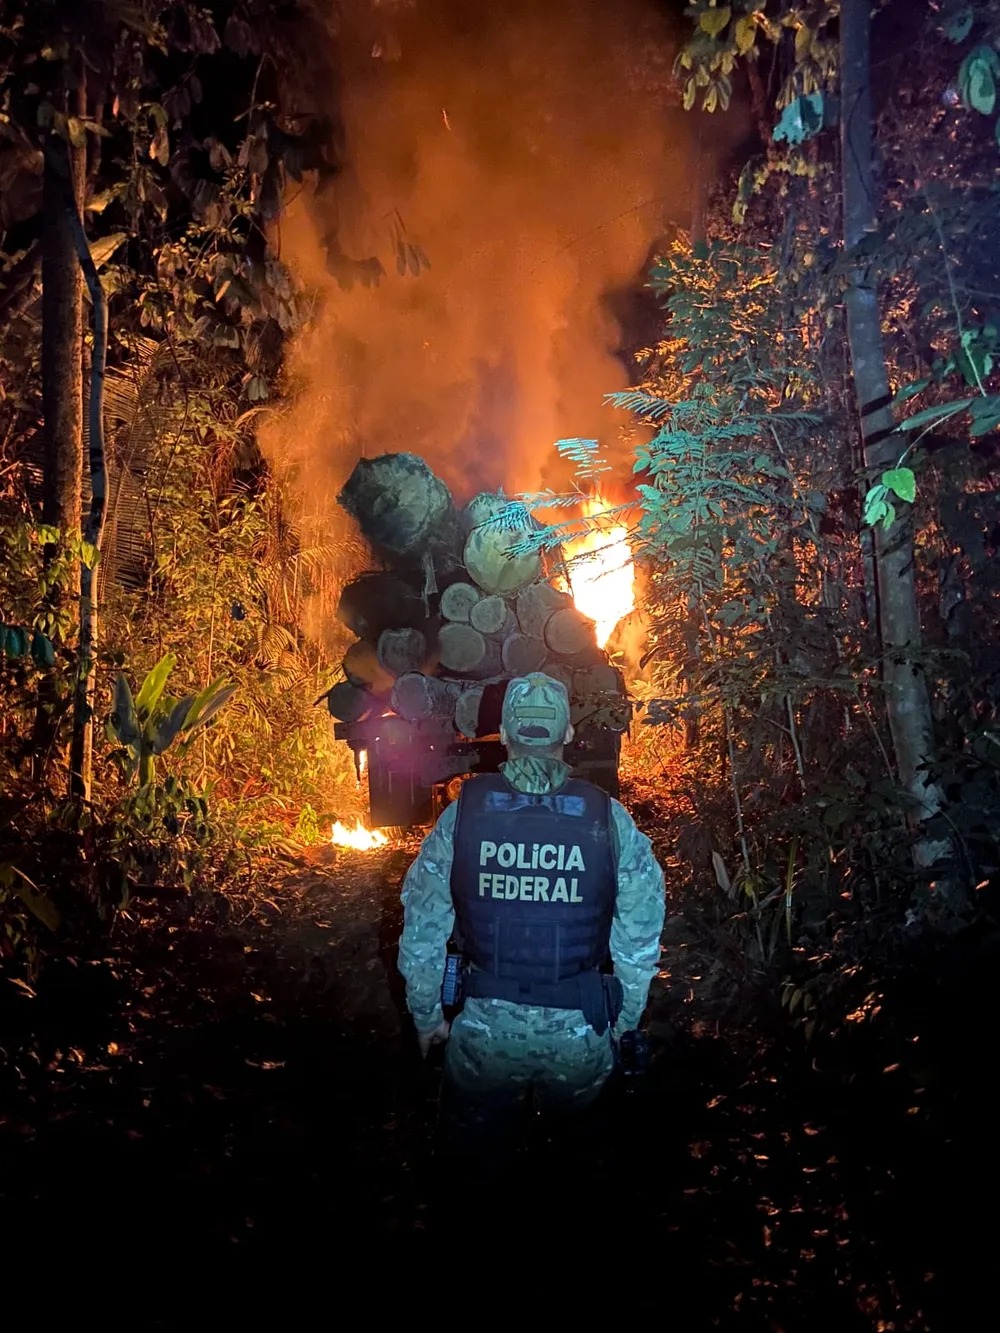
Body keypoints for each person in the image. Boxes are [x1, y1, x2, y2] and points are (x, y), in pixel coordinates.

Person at [398, 670, 665, 1160]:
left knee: (472, 1172)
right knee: (581, 1170)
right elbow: (640, 935)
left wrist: (427, 1016)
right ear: (568, 732)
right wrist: (625, 1022)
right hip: (582, 1037)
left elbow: (423, 927)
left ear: (503, 734)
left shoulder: (462, 814)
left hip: (484, 1038)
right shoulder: (608, 818)